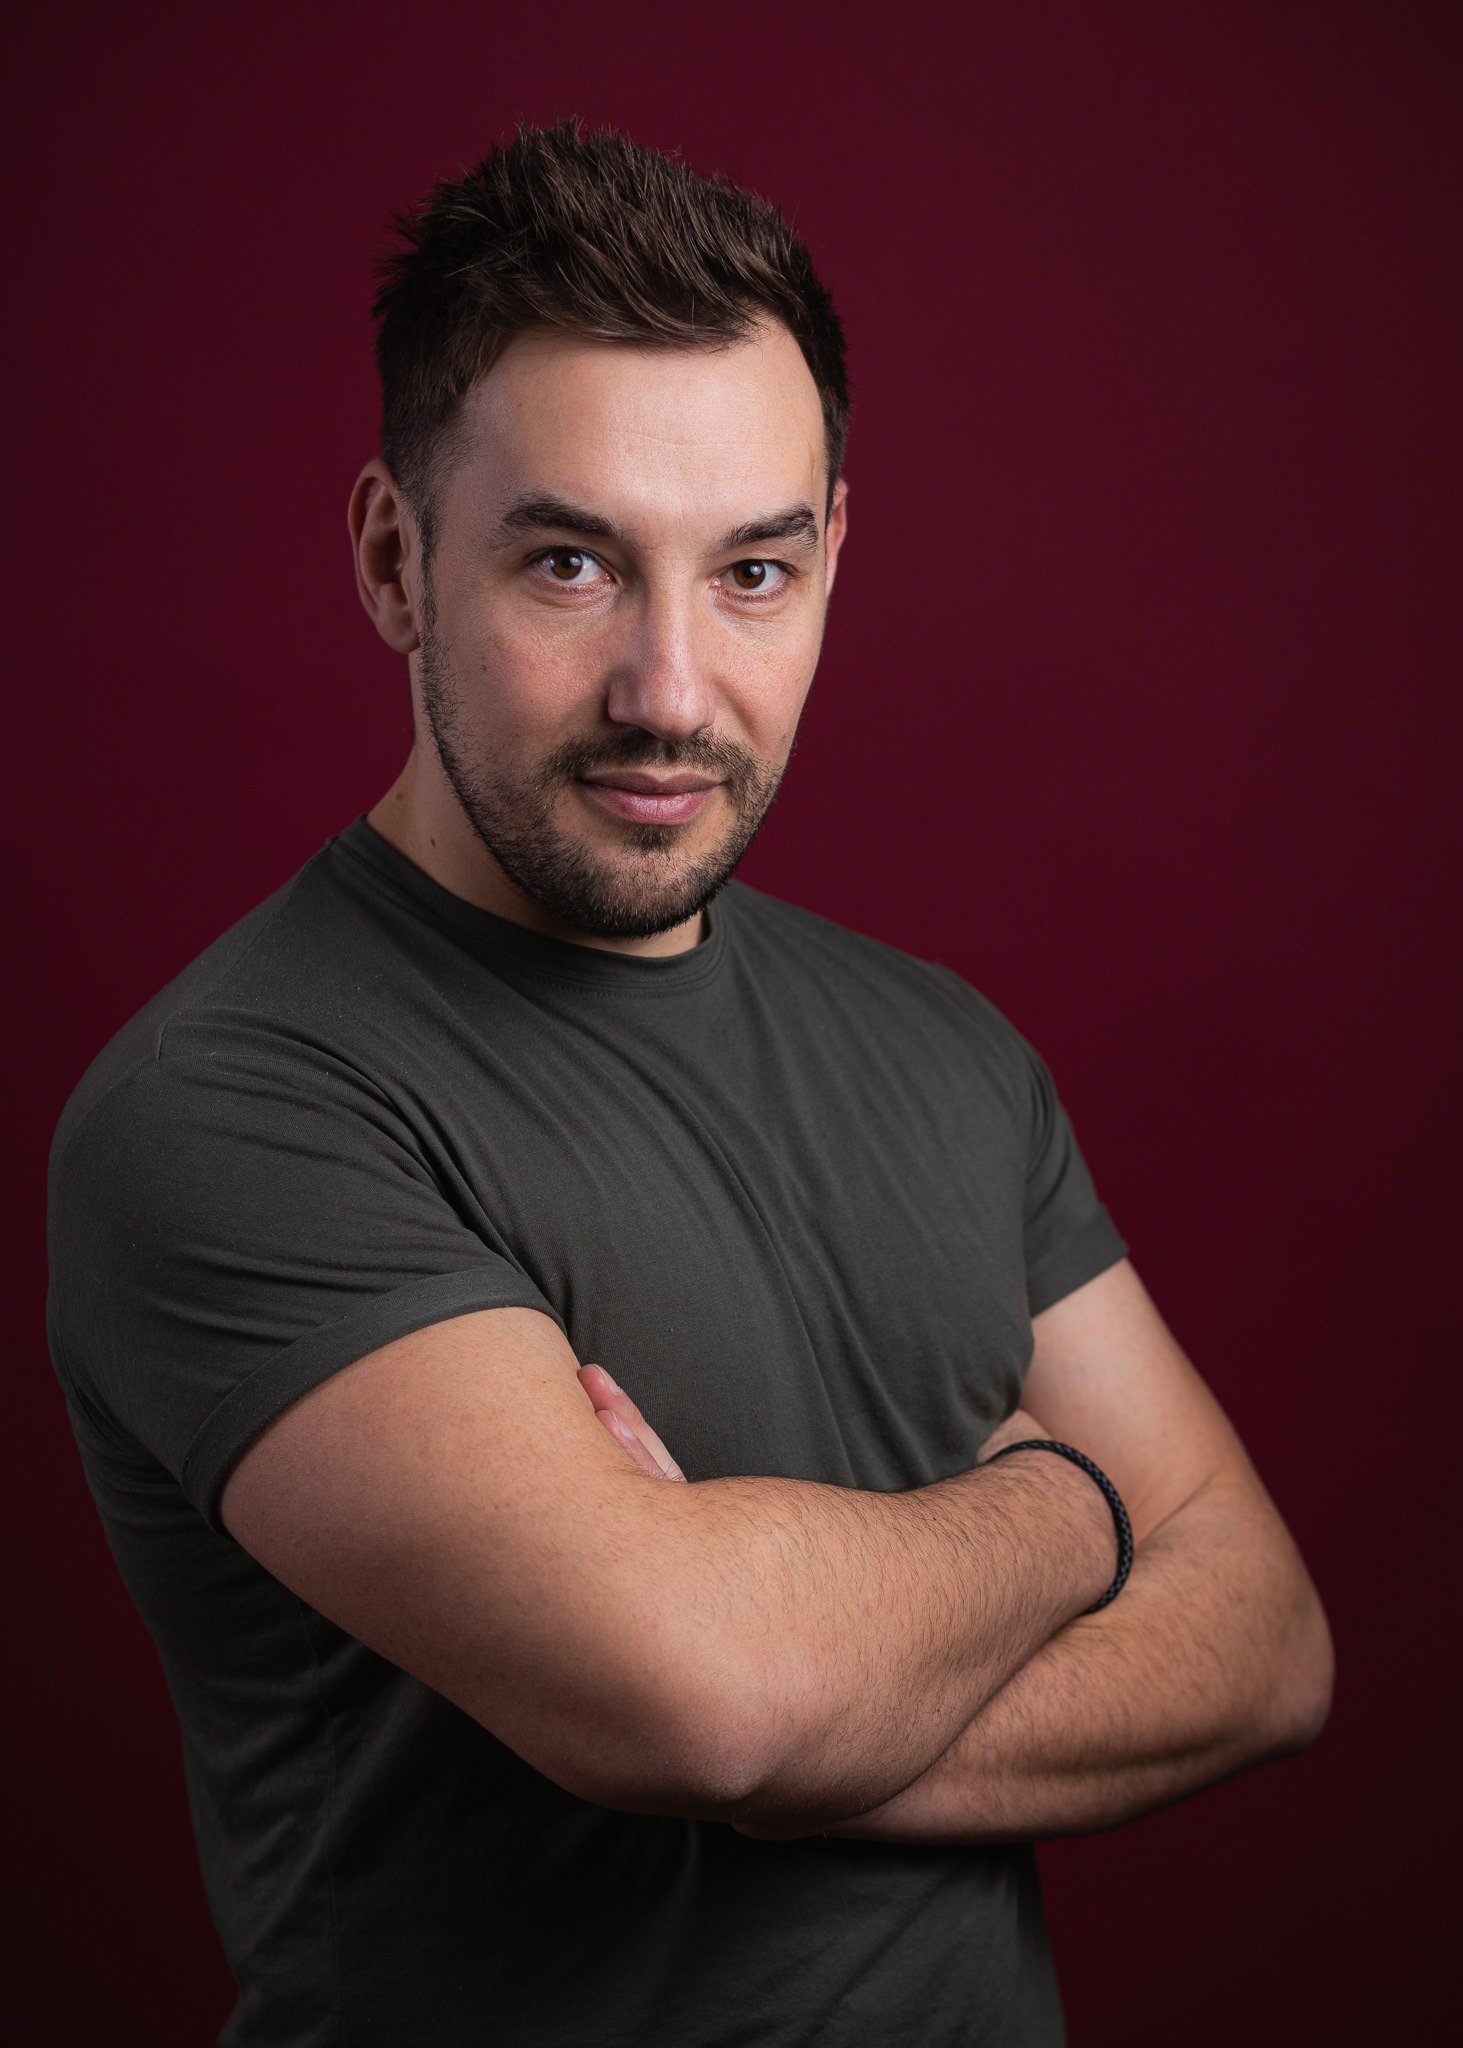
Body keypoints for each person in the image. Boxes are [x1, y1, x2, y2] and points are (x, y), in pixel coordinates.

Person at [46, 119, 1333, 2048]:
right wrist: (1072, 1503)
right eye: (569, 564)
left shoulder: (944, 1049)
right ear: (396, 559)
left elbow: (1268, 1644)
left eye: (752, 571)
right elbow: (706, 1701)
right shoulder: (231, 1104)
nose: (668, 689)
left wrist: (804, 1701)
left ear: (832, 562)